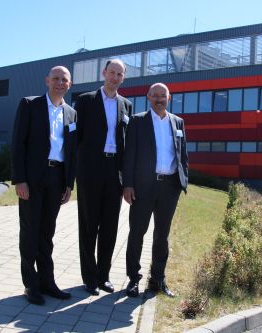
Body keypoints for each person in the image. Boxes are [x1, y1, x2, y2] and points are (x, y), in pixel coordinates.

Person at [11, 66, 76, 305]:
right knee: (30, 231)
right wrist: (20, 180)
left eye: (64, 80)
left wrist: (69, 183)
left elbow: (72, 151)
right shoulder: (29, 105)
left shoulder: (71, 113)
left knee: (47, 232)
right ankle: (31, 285)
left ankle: (48, 282)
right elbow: (18, 144)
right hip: (33, 178)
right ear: (47, 80)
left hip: (57, 178)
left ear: (70, 84)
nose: (60, 82)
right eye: (55, 78)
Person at [123, 83, 188, 298]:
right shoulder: (138, 121)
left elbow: (182, 154)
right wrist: (128, 185)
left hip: (169, 187)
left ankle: (157, 279)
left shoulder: (177, 122)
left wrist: (182, 182)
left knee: (163, 235)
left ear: (169, 98)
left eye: (163, 95)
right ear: (148, 97)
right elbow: (129, 155)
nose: (159, 99)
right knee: (137, 232)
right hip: (143, 186)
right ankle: (133, 279)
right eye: (155, 95)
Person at [75, 59, 132, 295]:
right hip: (91, 171)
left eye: (120, 74)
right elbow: (76, 139)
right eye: (112, 72)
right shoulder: (86, 100)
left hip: (114, 172)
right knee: (89, 226)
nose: (115, 77)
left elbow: (127, 143)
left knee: (109, 227)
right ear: (104, 73)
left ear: (123, 78)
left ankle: (103, 276)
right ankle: (89, 278)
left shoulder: (126, 105)